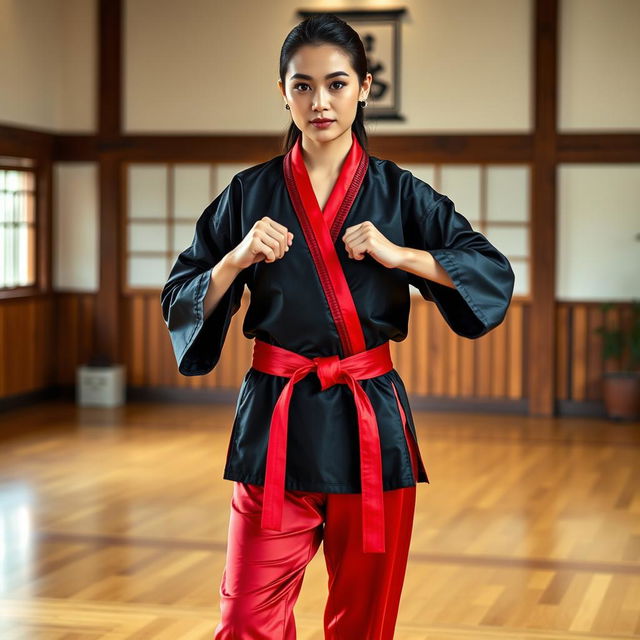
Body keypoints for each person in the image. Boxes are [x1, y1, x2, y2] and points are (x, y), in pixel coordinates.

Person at [161, 13, 515, 640]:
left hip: (368, 424)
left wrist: (399, 256)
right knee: (246, 619)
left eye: (336, 84)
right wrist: (236, 257)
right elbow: (181, 296)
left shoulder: (401, 194)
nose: (319, 102)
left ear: (364, 88)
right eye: (302, 86)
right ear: (283, 92)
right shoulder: (249, 194)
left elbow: (489, 271)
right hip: (276, 420)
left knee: (364, 623)